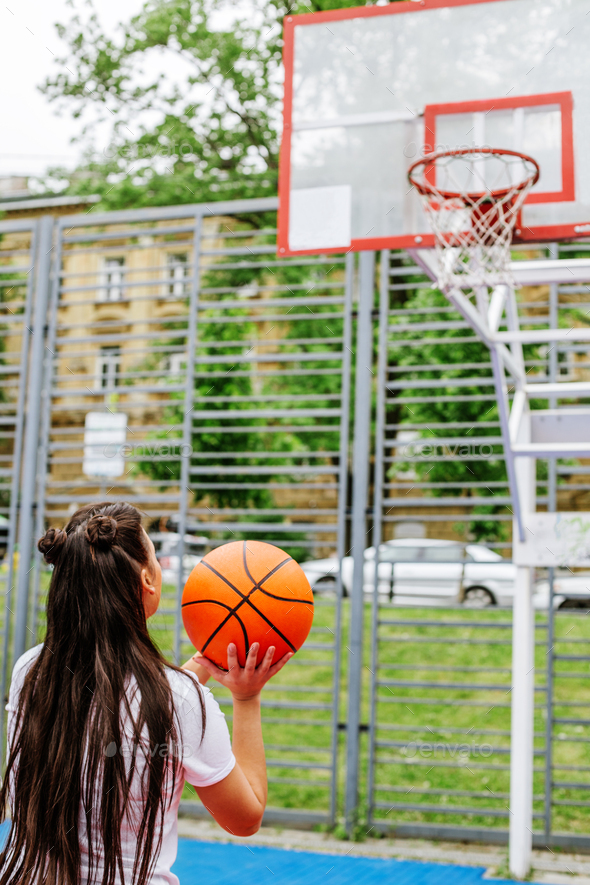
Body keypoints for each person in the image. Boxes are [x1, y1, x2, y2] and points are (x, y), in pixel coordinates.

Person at [0, 502, 292, 885]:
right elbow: (245, 818)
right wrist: (247, 699)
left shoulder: (32, 671)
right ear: (147, 579)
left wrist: (198, 669)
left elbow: (117, 708)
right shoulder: (180, 700)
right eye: (155, 554)